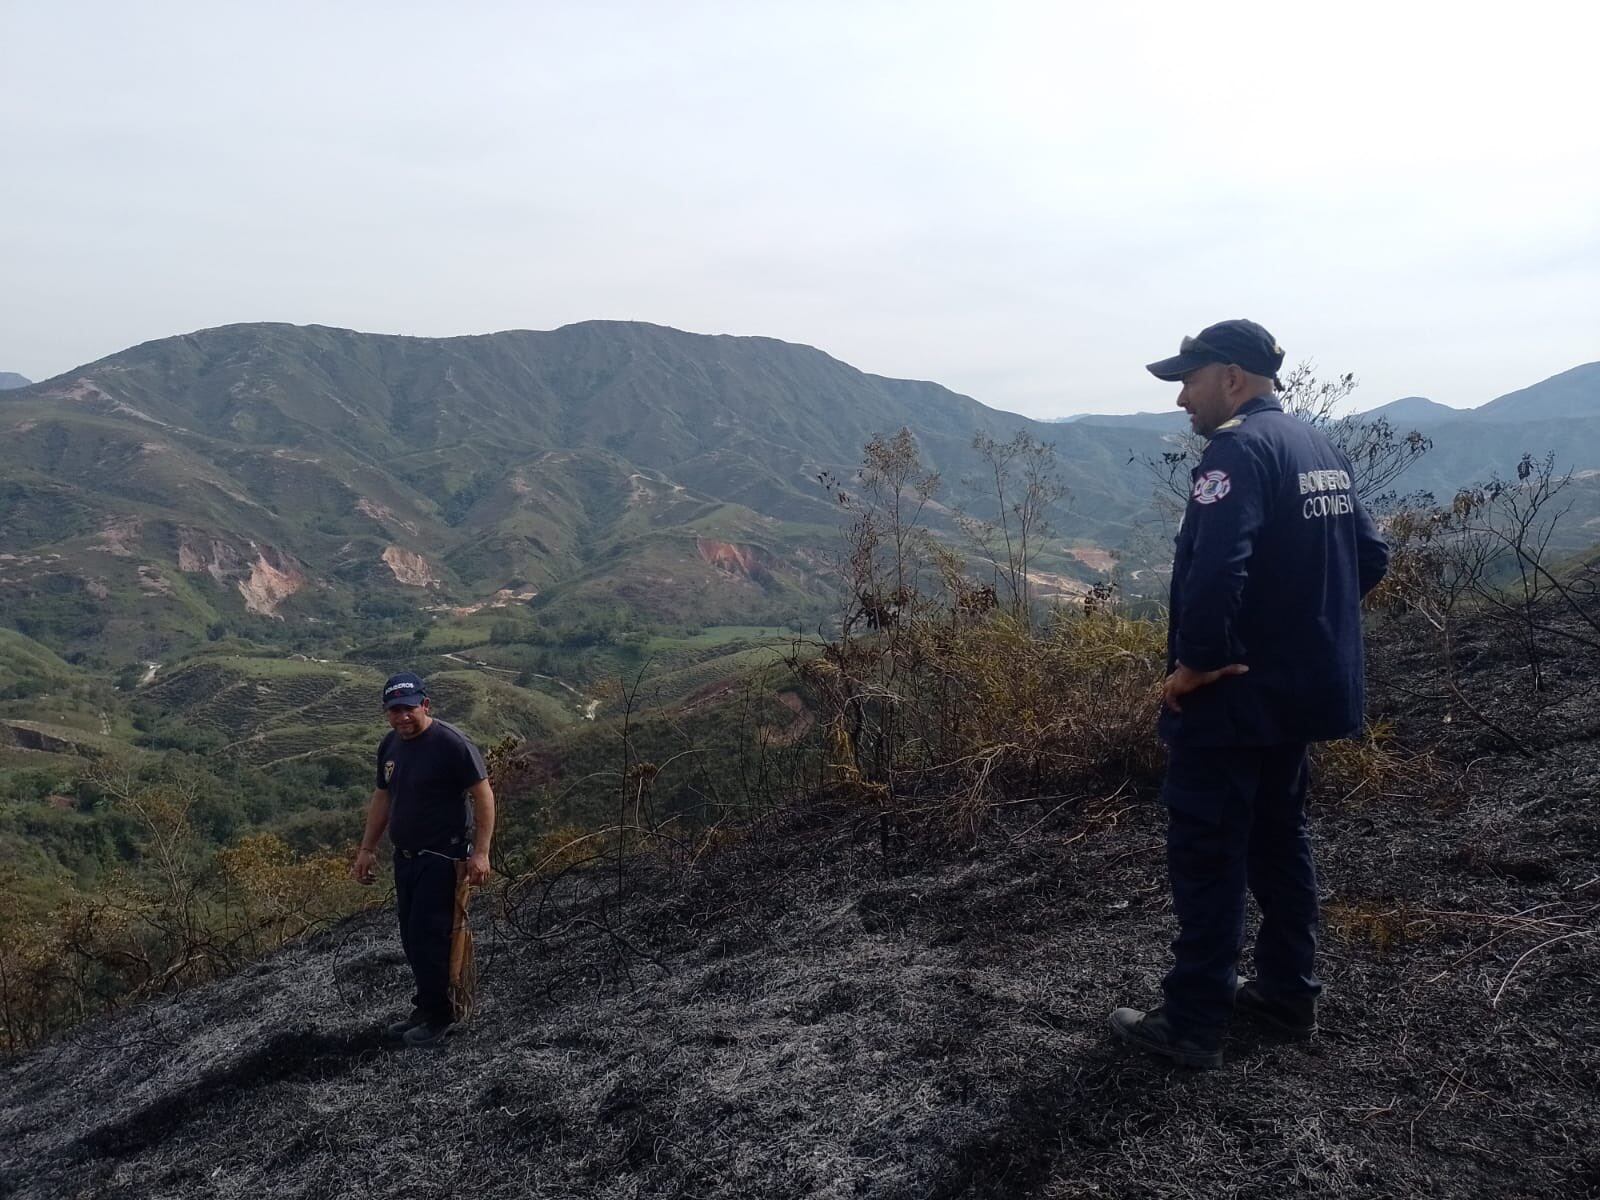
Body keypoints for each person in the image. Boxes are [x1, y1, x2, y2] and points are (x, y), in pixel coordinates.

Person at [1110, 319, 1389, 1069]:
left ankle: (1192, 1022)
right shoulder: (1317, 445)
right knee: (1278, 838)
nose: (1181, 399)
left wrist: (1198, 663)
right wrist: (1297, 634)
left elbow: (1216, 570)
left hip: (1233, 701)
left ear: (1231, 377)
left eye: (1188, 381)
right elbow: (1369, 555)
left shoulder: (1236, 451)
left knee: (1207, 849)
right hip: (1294, 695)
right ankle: (1288, 994)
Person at [351, 671, 495, 1048]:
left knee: (431, 935)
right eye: (394, 710)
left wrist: (481, 852)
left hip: (443, 857)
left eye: (409, 709)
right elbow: (383, 797)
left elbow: (483, 796)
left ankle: (442, 1016)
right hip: (407, 858)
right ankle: (427, 1006)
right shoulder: (390, 746)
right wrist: (367, 849)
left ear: (425, 705)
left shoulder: (451, 744)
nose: (402, 717)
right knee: (411, 937)